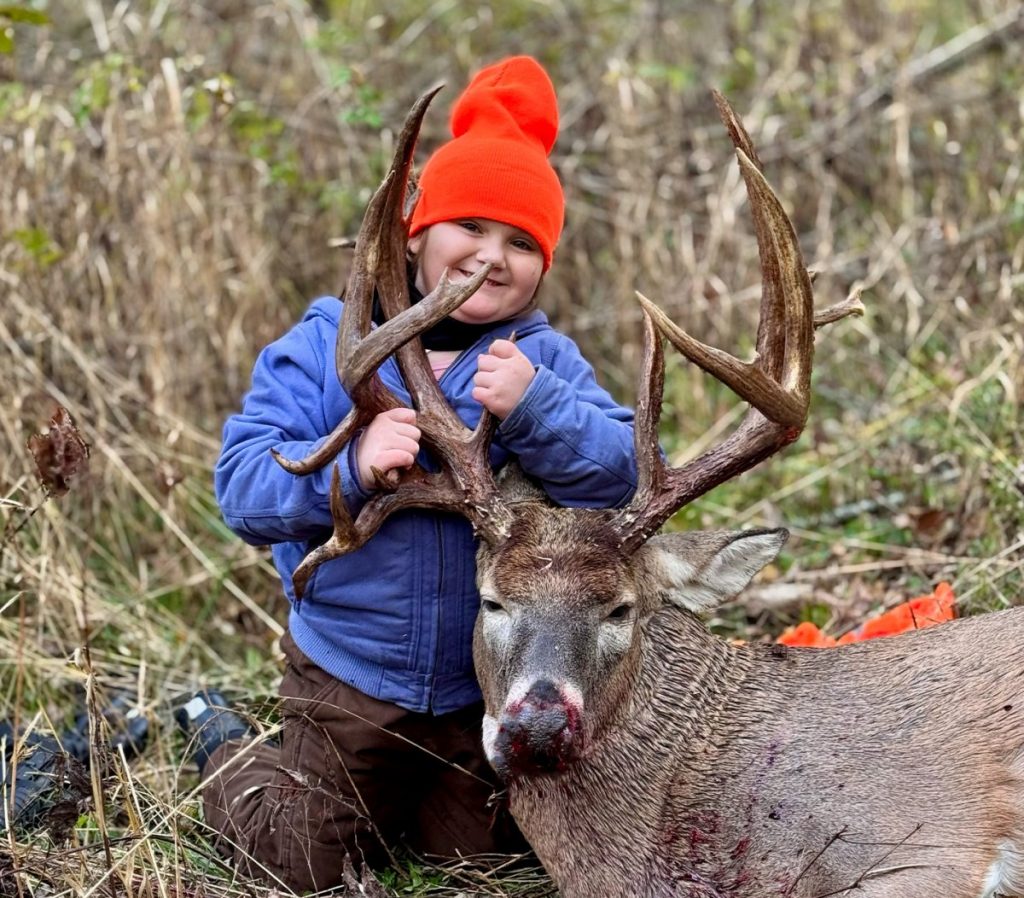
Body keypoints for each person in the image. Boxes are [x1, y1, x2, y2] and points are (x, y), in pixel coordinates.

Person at [178, 55, 638, 892]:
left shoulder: (544, 361)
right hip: (350, 678)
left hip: (479, 692)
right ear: (417, 230)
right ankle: (215, 742)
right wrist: (349, 471)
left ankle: (418, 808)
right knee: (298, 863)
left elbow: (619, 474)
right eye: (472, 227)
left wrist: (537, 411)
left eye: (522, 243)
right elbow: (242, 487)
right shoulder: (325, 345)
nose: (491, 258)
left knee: (490, 861)